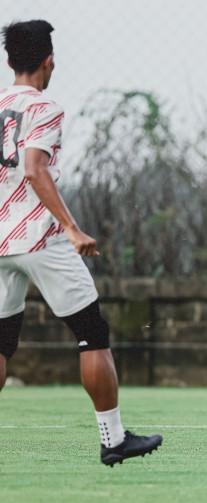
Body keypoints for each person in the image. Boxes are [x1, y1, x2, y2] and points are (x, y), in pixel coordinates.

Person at [0, 20, 162, 467]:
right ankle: (113, 439)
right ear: (49, 60)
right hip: (36, 236)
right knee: (92, 333)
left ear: (10, 60)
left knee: (0, 342)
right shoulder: (44, 107)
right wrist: (70, 227)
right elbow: (34, 169)